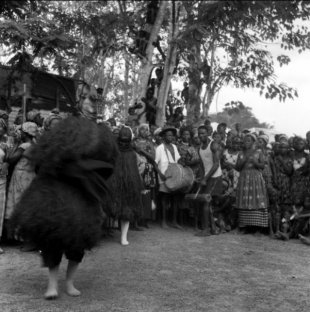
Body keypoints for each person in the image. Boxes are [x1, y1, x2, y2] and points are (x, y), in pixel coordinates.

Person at [9, 83, 119, 300]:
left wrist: (89, 175)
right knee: (54, 241)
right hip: (57, 195)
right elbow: (42, 163)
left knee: (79, 244)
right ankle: (52, 285)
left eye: (94, 100)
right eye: (87, 99)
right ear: (79, 101)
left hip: (83, 196)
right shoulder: (63, 130)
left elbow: (106, 165)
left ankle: (69, 282)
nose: (91, 104)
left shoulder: (101, 136)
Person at [108, 126, 144, 245]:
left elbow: (138, 168)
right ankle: (109, 230)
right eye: (122, 140)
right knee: (112, 207)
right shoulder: (113, 151)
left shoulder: (133, 154)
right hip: (114, 183)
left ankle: (123, 237)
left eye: (126, 141)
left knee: (126, 211)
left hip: (129, 186)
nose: (124, 143)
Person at [235, 133, 269, 232]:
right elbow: (237, 168)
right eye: (245, 141)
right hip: (244, 178)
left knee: (256, 199)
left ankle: (257, 227)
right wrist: (243, 160)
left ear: (254, 142)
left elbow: (262, 166)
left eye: (249, 141)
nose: (246, 143)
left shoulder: (258, 152)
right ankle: (245, 226)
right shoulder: (241, 153)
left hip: (255, 178)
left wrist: (255, 162)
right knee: (244, 199)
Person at [195, 125, 223, 236]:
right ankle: (214, 229)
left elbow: (216, 164)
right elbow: (202, 166)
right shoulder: (199, 148)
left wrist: (205, 179)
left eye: (203, 133)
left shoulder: (213, 145)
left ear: (208, 134)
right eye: (199, 133)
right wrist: (202, 179)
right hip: (207, 177)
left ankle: (206, 229)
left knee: (206, 201)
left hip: (215, 176)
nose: (201, 135)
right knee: (207, 202)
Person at [155, 126, 181, 229]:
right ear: (163, 137)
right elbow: (155, 163)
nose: (171, 137)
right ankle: (163, 221)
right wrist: (160, 174)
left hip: (174, 176)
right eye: (168, 135)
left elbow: (178, 160)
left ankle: (174, 221)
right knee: (164, 199)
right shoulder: (160, 148)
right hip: (164, 176)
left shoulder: (174, 147)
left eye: (172, 135)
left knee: (175, 199)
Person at [0, 115, 9, 254]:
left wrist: (6, 164)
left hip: (1, 180)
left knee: (0, 209)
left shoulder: (5, 144)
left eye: (2, 126)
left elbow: (8, 160)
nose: (0, 128)